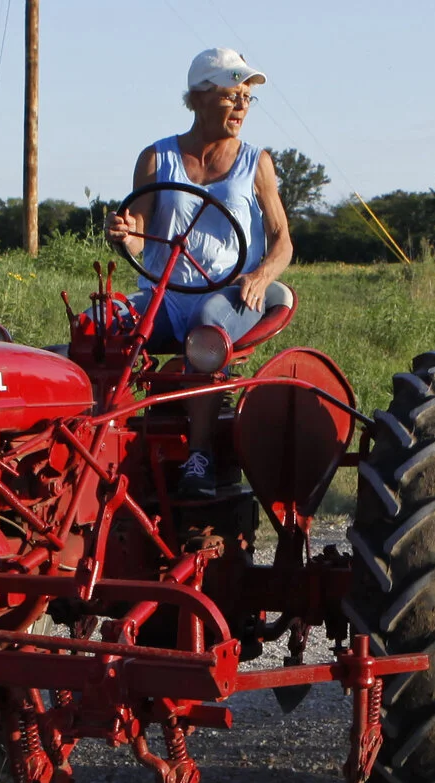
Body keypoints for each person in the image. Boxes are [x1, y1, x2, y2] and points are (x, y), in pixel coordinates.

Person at [106, 47, 295, 500]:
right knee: (103, 322)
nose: (243, 106)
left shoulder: (256, 163)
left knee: (208, 321)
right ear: (200, 97)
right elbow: (141, 237)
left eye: (248, 98)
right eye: (233, 95)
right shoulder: (157, 159)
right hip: (166, 295)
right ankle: (99, 441)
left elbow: (282, 239)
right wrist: (126, 234)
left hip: (231, 295)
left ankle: (201, 454)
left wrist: (261, 276)